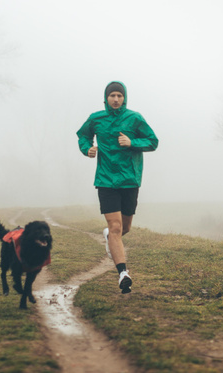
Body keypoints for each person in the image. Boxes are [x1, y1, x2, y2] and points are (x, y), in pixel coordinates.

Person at [77, 81, 159, 293]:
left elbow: (153, 141)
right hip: (105, 180)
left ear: (124, 98)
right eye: (112, 95)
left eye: (119, 96)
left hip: (130, 179)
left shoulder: (134, 118)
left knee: (125, 227)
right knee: (115, 227)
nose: (115, 99)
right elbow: (83, 135)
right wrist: (87, 149)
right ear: (106, 98)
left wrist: (132, 142)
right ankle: (123, 273)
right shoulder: (96, 118)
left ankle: (109, 238)